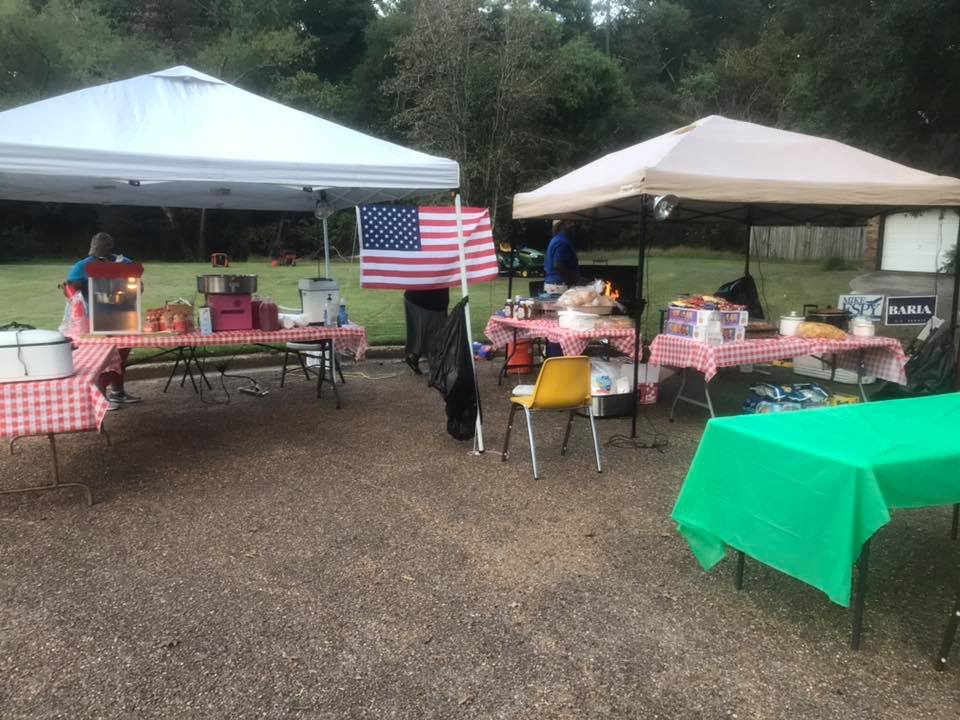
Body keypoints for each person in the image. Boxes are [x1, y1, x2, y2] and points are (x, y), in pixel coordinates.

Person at [65, 232, 141, 408]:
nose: (95, 253)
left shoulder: (124, 262)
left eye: (99, 249)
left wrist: (133, 285)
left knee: (120, 360)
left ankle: (118, 393)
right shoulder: (82, 266)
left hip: (124, 318)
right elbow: (69, 289)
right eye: (94, 249)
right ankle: (101, 399)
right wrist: (75, 292)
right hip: (96, 321)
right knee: (102, 361)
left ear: (109, 248)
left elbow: (138, 285)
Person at [403, 287, 450, 374]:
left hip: (417, 298)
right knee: (436, 336)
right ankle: (435, 368)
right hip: (429, 301)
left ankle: (415, 356)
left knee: (427, 334)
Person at [543, 219, 579, 294]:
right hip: (559, 285)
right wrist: (574, 277)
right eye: (569, 223)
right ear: (561, 226)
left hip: (554, 284)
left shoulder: (556, 239)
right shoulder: (562, 242)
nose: (573, 225)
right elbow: (558, 265)